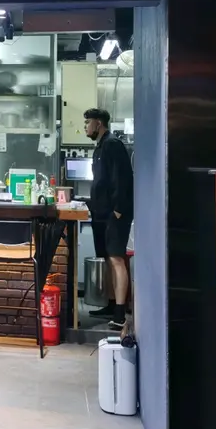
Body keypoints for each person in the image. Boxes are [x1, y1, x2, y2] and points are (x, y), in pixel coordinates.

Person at [84, 108, 134, 329]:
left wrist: (118, 210)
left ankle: (121, 314)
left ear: (98, 123)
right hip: (101, 213)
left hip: (114, 213)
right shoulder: (100, 147)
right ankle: (112, 306)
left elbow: (123, 179)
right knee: (107, 259)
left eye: (88, 123)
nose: (85, 128)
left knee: (116, 259)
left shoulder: (113, 144)